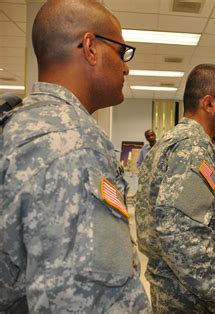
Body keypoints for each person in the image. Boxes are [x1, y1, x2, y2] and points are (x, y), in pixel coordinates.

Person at [0, 0, 149, 312]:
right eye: (122, 52)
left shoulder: (21, 123)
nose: (126, 66)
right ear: (90, 47)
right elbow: (82, 301)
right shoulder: (73, 143)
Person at [135, 63, 215, 313]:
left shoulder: (171, 141)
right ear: (208, 103)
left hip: (177, 289)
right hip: (191, 298)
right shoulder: (193, 149)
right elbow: (181, 233)